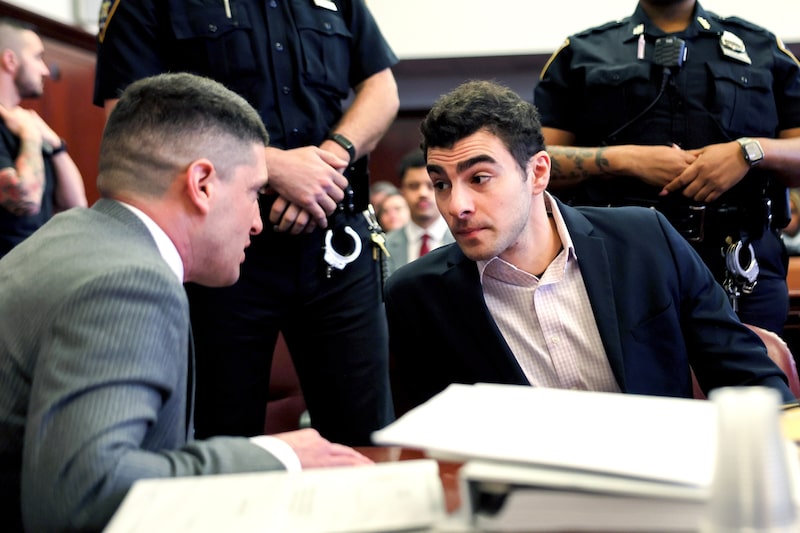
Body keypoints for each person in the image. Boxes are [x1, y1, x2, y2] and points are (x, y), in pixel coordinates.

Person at [0, 72, 373, 532]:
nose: (257, 223)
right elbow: (84, 495)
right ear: (201, 184)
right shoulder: (130, 282)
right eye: (254, 193)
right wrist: (278, 455)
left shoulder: (69, 236)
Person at [383, 80, 795, 417]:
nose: (457, 206)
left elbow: (750, 380)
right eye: (442, 183)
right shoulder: (416, 295)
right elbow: (432, 435)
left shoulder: (645, 242)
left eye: (480, 178)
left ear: (538, 172)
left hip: (664, 485)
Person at [94, 0, 399, 446]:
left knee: (366, 430)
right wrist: (272, 166)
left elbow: (382, 88)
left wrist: (324, 167)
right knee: (222, 429)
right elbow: (130, 120)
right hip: (220, 251)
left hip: (335, 241)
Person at [533, 0, 800, 336]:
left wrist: (748, 152)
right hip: (618, 266)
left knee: (750, 383)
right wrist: (625, 160)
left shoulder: (761, 47)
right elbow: (533, 165)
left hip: (743, 269)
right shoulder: (581, 52)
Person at [0, 17, 86, 259]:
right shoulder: (26, 131)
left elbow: (75, 205)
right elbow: (25, 199)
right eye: (37, 57)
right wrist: (30, 137)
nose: (45, 70)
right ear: (10, 60)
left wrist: (56, 146)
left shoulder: (28, 124)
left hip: (32, 270)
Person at [385, 148, 455, 276]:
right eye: (413, 186)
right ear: (402, 192)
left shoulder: (461, 240)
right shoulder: (386, 246)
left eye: (431, 185)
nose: (422, 193)